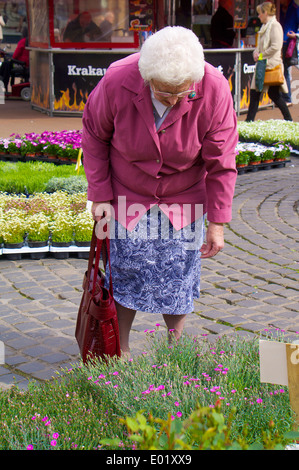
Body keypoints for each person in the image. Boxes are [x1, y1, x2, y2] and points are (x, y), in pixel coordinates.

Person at [82, 26, 238, 354]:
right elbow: (95, 135)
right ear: (146, 76)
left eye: (182, 93)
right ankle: (118, 348)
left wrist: (217, 223)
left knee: (179, 275)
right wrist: (100, 196)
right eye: (165, 92)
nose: (174, 100)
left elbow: (222, 161)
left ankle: (174, 349)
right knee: (124, 274)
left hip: (184, 195)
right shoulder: (117, 80)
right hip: (128, 191)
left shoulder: (213, 87)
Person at [245, 2, 292, 122]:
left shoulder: (275, 26)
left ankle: (250, 121)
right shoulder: (265, 26)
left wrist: (260, 55)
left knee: (263, 94)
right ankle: (288, 119)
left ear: (266, 13)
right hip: (263, 64)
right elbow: (260, 46)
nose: (258, 16)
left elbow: (276, 46)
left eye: (260, 13)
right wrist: (256, 53)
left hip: (270, 66)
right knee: (264, 94)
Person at [279, 0, 299, 105]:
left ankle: (286, 97)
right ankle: (284, 97)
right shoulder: (278, 8)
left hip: (288, 43)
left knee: (285, 69)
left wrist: (296, 34)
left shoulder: (295, 8)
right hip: (280, 42)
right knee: (282, 69)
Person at [0, 26, 29, 92]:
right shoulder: (31, 41)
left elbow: (15, 56)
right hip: (27, 64)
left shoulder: (23, 41)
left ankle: (4, 83)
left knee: (6, 64)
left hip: (21, 64)